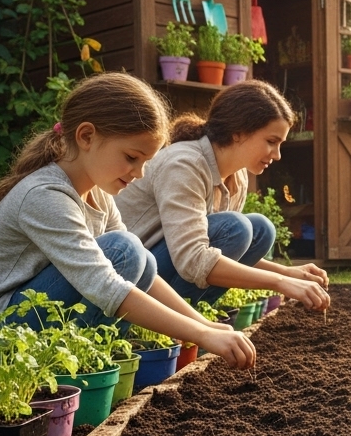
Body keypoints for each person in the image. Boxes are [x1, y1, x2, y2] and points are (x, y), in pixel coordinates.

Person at [0, 73, 256, 367]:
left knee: (141, 259)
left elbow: (142, 275)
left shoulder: (97, 193)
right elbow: (105, 284)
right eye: (131, 157)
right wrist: (201, 335)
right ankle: (81, 367)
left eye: (145, 162)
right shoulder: (45, 195)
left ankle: (97, 363)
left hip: (19, 318)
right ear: (86, 136)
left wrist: (205, 325)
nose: (138, 173)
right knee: (123, 251)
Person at [115, 80, 329, 311]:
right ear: (238, 133)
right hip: (129, 275)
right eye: (271, 141)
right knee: (238, 227)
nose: (277, 155)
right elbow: (193, 259)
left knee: (260, 230)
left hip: (167, 263)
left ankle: (190, 315)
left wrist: (287, 272)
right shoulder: (185, 164)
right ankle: (170, 318)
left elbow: (222, 251)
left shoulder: (237, 177)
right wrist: (281, 283)